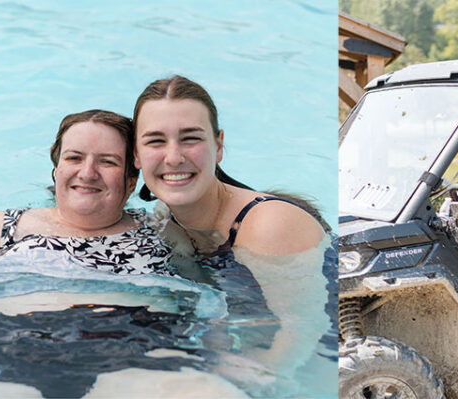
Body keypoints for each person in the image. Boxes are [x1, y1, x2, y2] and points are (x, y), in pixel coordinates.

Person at [131, 75, 331, 375]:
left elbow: (304, 330)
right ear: (136, 155)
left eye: (191, 138)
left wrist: (256, 379)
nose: (173, 157)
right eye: (155, 141)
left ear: (219, 145)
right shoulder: (166, 216)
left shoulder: (268, 226)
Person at [0, 109, 173, 274]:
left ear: (132, 182)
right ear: (56, 171)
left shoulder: (162, 233)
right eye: (74, 158)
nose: (87, 174)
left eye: (107, 161)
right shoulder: (4, 229)